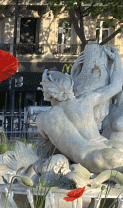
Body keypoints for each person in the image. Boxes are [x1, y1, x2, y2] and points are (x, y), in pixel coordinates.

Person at [36, 45, 123, 173]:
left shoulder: (43, 119)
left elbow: (53, 145)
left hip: (93, 158)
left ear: (49, 91)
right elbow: (116, 85)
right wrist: (117, 59)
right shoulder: (85, 102)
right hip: (111, 146)